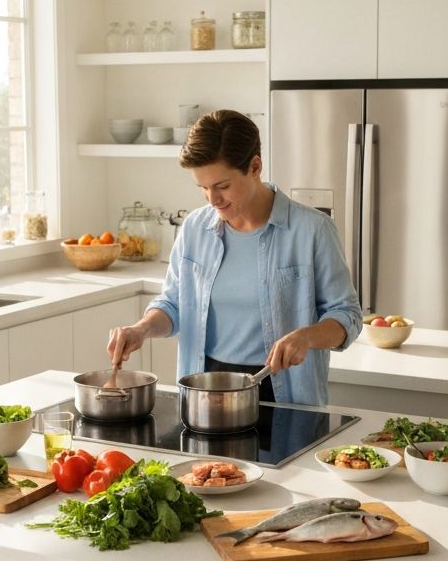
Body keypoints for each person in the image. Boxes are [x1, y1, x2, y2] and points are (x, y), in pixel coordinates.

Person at [107, 109, 361, 406]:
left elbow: (346, 315)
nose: (212, 199)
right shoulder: (194, 228)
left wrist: (307, 337)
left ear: (255, 166)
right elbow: (174, 304)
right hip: (204, 392)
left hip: (285, 394)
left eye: (222, 186)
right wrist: (142, 328)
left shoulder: (312, 230)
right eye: (203, 188)